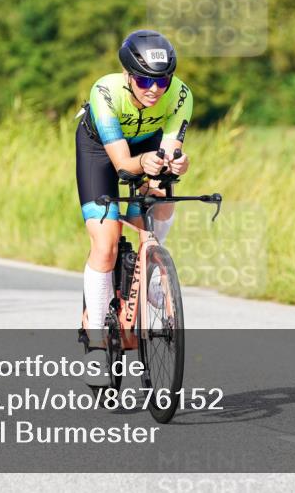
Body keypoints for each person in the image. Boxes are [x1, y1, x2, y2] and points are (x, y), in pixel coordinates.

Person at [75, 30, 192, 369]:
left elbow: (171, 151)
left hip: (147, 144)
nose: (154, 89)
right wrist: (143, 163)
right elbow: (123, 164)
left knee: (162, 192)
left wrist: (176, 164)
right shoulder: (105, 92)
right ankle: (97, 340)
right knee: (106, 244)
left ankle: (152, 264)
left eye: (162, 81)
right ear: (128, 75)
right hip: (101, 151)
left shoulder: (181, 95)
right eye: (143, 80)